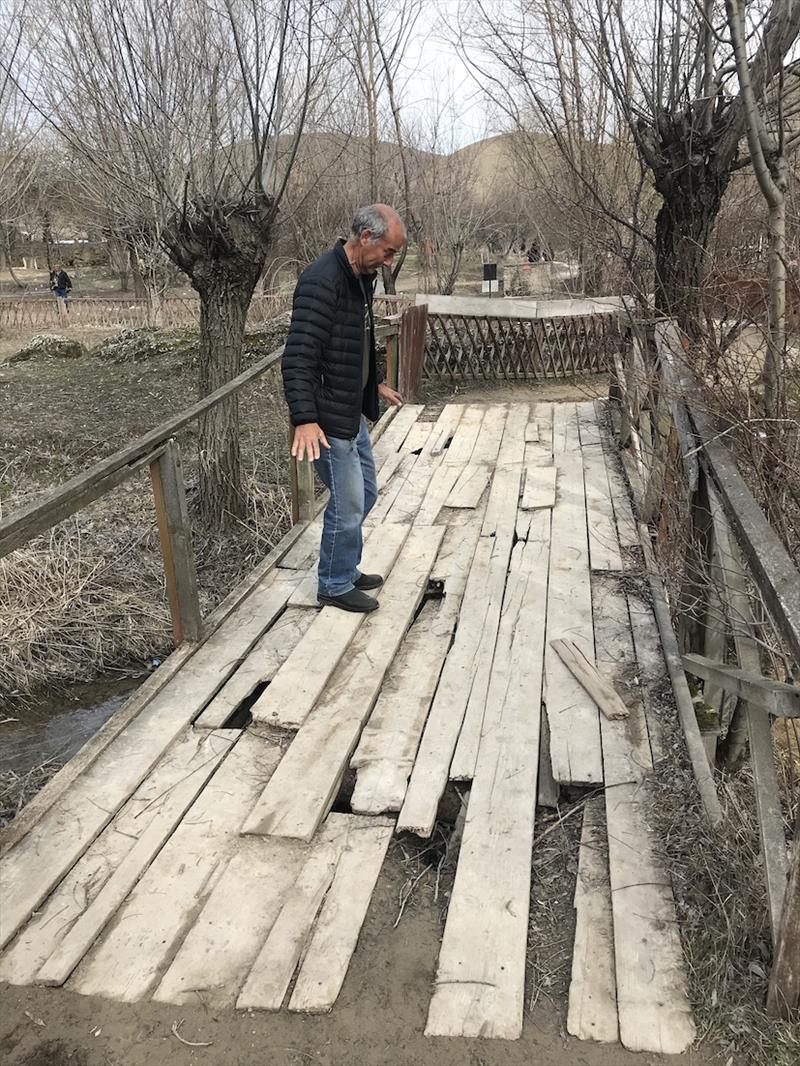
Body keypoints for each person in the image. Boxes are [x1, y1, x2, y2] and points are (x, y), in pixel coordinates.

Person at [282, 204, 406, 613]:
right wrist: (304, 418)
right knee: (349, 502)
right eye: (388, 252)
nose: (389, 262)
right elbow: (299, 356)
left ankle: (344, 566)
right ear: (366, 238)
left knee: (365, 494)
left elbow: (357, 341)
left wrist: (376, 383)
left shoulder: (359, 278)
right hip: (326, 417)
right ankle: (333, 584)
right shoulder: (322, 281)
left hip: (349, 408)